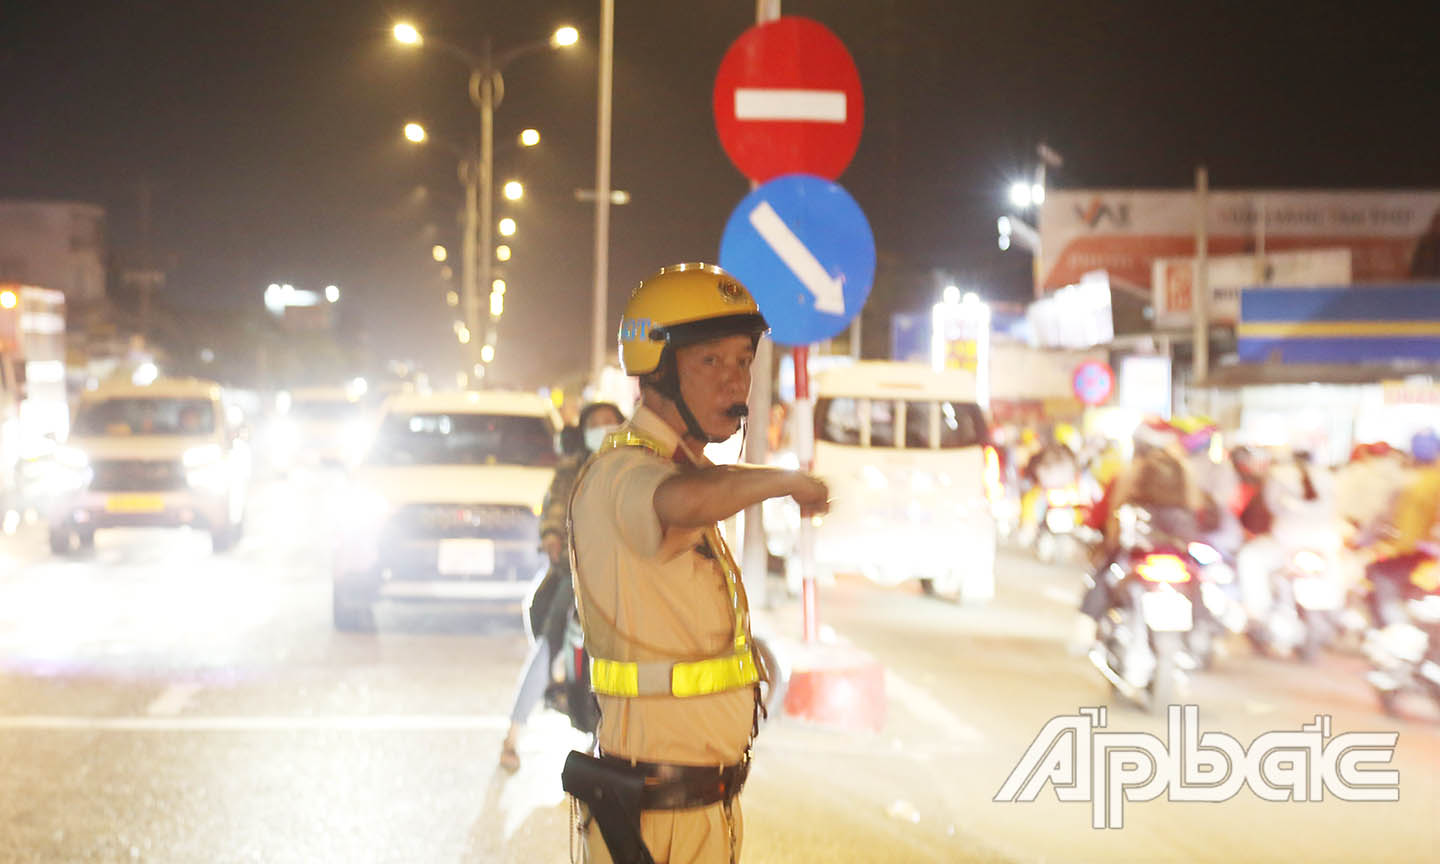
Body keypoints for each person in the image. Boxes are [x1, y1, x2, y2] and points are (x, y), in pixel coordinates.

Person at [565, 263, 828, 864]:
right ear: (657, 367)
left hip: (698, 810)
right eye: (711, 361)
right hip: (654, 821)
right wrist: (784, 481)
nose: (735, 381)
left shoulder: (684, 469)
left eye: (743, 360)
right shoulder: (625, 473)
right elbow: (678, 504)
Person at [499, 401, 625, 773]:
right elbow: (554, 511)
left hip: (625, 580)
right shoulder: (573, 468)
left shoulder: (634, 463)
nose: (603, 429)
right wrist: (554, 538)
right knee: (550, 643)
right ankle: (512, 736)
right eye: (595, 423)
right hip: (576, 573)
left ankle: (604, 743)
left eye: (610, 422)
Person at [1358, 429, 1440, 628]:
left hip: (1406, 552)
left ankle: (1395, 629)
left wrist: (1362, 540)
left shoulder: (1406, 482)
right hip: (1427, 555)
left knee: (1380, 581)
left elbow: (1381, 516)